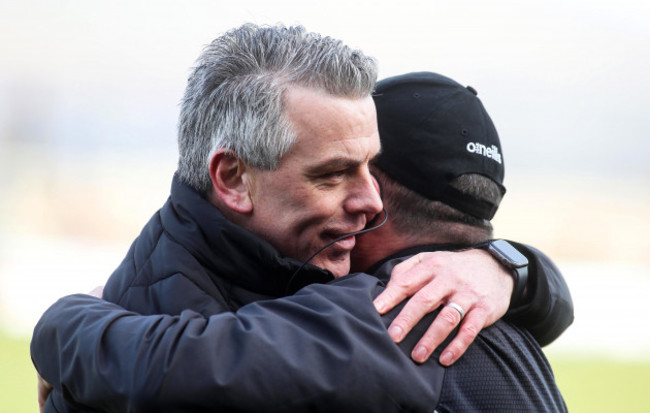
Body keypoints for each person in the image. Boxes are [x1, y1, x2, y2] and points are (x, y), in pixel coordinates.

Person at [31, 24, 571, 412]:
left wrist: (64, 325)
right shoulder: (392, 310)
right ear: (233, 178)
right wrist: (513, 267)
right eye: (334, 173)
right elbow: (183, 368)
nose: (370, 201)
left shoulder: (398, 306)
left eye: (371, 170)